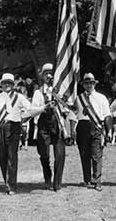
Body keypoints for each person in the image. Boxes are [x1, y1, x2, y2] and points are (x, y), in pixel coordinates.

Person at [0, 73, 48, 195]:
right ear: (1, 84)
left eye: (9, 83)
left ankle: (11, 186)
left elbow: (30, 108)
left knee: (12, 156)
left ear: (13, 85)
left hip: (14, 127)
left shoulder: (19, 97)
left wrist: (43, 108)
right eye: (5, 83)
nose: (7, 85)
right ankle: (7, 181)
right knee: (2, 156)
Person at [32, 63, 67, 192]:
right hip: (43, 122)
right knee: (44, 153)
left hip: (57, 122)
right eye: (46, 74)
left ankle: (57, 183)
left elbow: (67, 107)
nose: (49, 76)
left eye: (51, 73)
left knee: (60, 153)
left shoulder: (60, 91)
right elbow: (34, 109)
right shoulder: (38, 92)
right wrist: (44, 107)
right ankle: (48, 176)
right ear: (42, 76)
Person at [75, 73, 112, 192]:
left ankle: (97, 180)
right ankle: (87, 179)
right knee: (84, 154)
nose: (89, 85)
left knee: (96, 155)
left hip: (96, 126)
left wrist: (108, 131)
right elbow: (73, 114)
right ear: (83, 85)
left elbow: (107, 115)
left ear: (94, 84)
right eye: (86, 83)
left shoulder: (101, 98)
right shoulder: (78, 98)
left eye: (91, 83)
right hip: (82, 126)